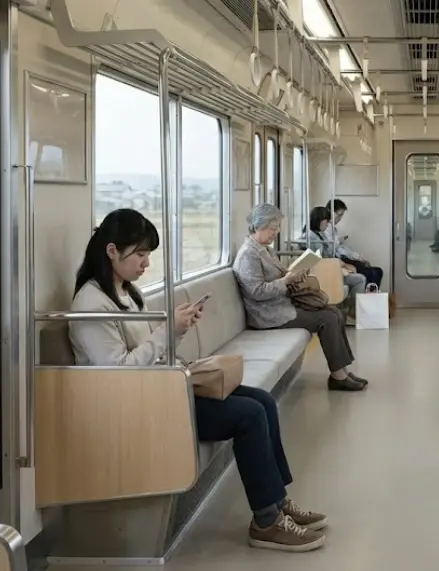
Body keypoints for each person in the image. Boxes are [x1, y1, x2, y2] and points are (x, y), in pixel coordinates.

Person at [68, 208, 327, 552]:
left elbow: (149, 351)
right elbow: (119, 370)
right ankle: (266, 520)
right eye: (140, 254)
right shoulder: (91, 304)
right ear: (112, 251)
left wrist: (177, 335)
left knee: (262, 402)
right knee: (248, 416)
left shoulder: (125, 292)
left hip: (162, 389)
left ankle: (277, 502)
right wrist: (167, 332)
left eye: (148, 254)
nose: (146, 264)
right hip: (135, 407)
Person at [233, 204, 367, 391]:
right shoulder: (249, 255)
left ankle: (342, 370)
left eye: (277, 228)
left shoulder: (265, 249)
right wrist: (287, 280)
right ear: (257, 226)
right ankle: (338, 376)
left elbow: (278, 277)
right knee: (327, 319)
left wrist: (293, 275)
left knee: (334, 312)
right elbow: (257, 292)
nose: (276, 232)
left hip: (282, 304)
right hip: (268, 314)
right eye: (273, 228)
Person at [301, 206, 367, 299]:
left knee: (358, 274)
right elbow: (321, 260)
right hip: (324, 273)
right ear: (321, 220)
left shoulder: (320, 234)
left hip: (329, 268)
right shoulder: (312, 238)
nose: (328, 224)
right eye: (327, 221)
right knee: (360, 279)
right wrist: (341, 265)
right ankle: (353, 312)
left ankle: (353, 311)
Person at [325, 198, 384, 287]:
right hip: (338, 260)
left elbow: (340, 248)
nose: (340, 219)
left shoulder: (332, 229)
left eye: (342, 216)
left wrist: (357, 256)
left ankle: (369, 296)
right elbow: (332, 250)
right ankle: (369, 297)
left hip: (341, 258)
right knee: (375, 272)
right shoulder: (325, 229)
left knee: (375, 270)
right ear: (330, 211)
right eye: (339, 215)